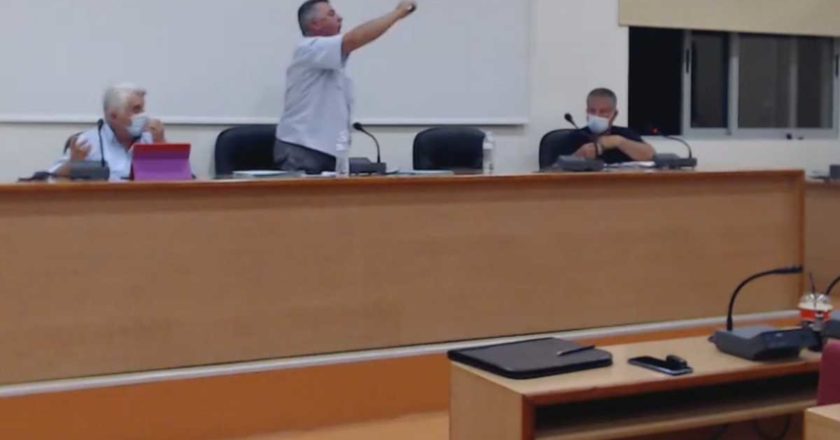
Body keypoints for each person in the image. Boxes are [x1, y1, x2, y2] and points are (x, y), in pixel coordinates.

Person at [275, 0, 417, 174]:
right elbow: (354, 39)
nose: (340, 18)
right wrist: (397, 13)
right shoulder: (308, 49)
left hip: (328, 151)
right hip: (303, 149)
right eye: (331, 14)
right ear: (315, 24)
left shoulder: (330, 60)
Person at [52, 83, 166, 181]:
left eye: (143, 109)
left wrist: (161, 145)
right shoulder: (86, 142)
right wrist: (73, 164)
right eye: (136, 109)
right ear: (113, 115)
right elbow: (50, 177)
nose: (144, 115)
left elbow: (172, 179)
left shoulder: (151, 139)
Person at [569, 88, 655, 164]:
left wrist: (619, 141)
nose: (597, 115)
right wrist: (578, 156)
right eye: (592, 111)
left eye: (603, 112)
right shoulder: (576, 136)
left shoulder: (625, 134)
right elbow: (560, 167)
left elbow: (651, 155)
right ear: (587, 111)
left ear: (614, 114)